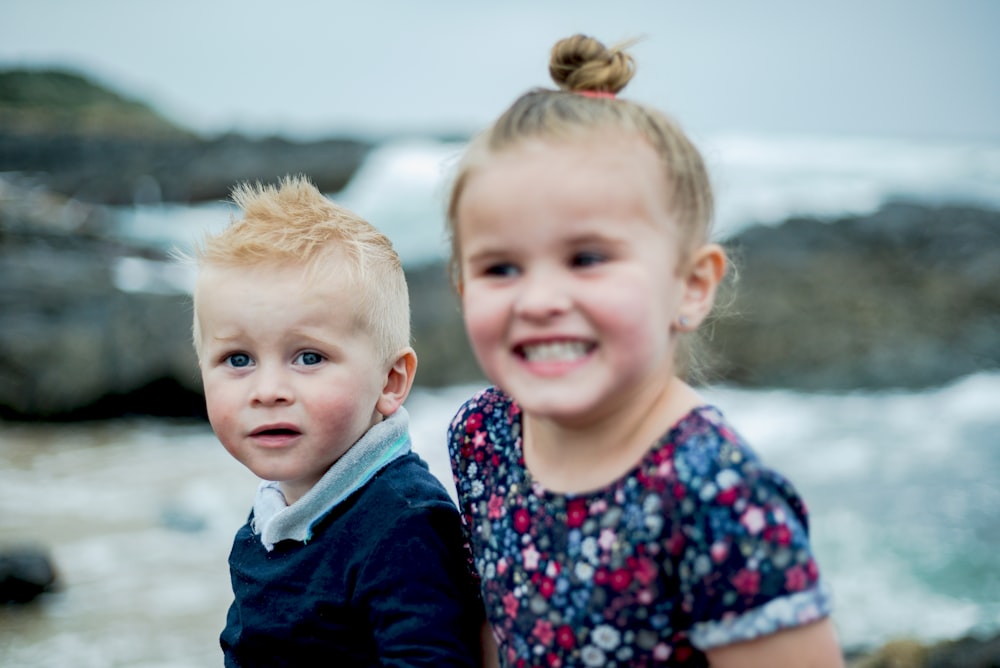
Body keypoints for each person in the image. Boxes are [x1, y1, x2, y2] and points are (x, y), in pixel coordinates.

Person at [444, 35, 845, 667]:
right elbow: (496, 635)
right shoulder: (482, 437)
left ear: (690, 286)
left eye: (588, 259)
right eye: (501, 268)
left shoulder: (718, 497)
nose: (540, 299)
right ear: (462, 287)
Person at [191, 175, 487, 667]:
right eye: (238, 360)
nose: (268, 391)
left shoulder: (403, 523)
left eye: (308, 358)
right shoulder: (273, 517)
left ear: (391, 381)